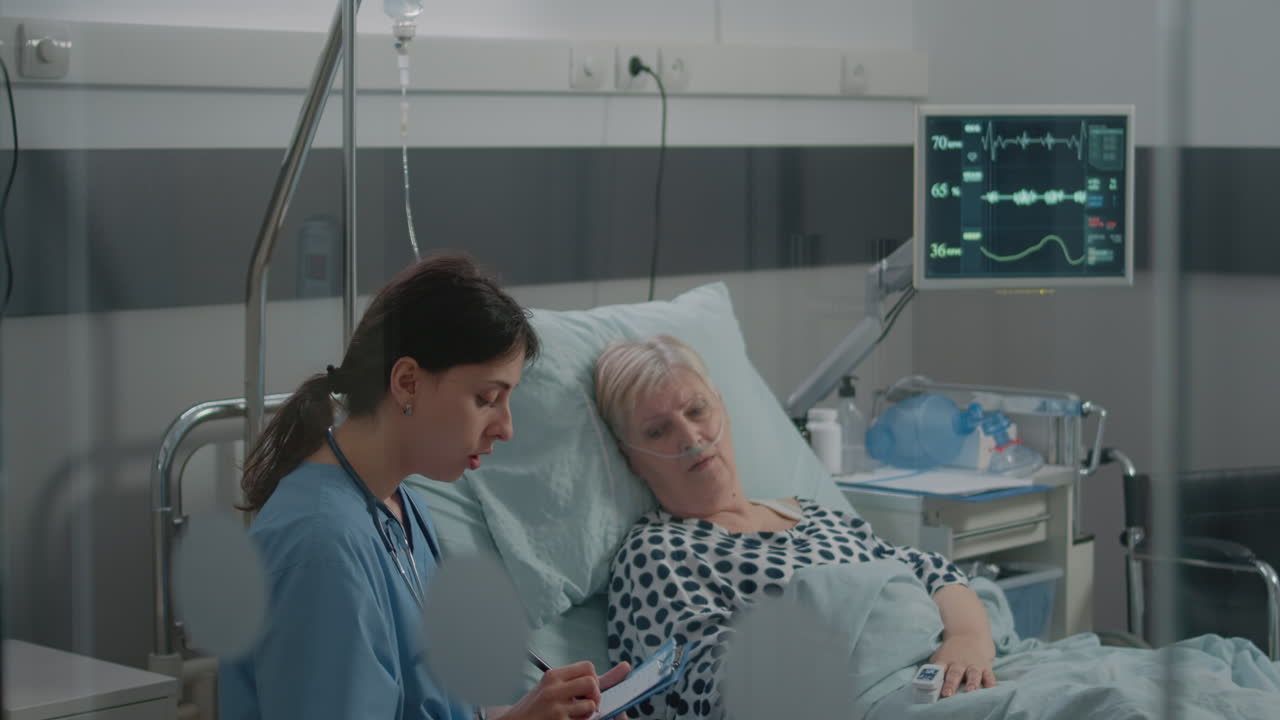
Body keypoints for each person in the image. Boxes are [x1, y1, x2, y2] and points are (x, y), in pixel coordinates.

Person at [220, 254, 629, 720]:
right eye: (487, 399)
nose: (505, 427)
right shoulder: (320, 547)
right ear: (407, 382)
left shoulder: (400, 508)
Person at [592, 334, 996, 720]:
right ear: (631, 458)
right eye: (657, 431)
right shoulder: (657, 553)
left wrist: (968, 639)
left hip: (957, 681)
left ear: (723, 409)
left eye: (697, 410)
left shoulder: (813, 514)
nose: (690, 436)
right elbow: (711, 695)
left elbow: (930, 571)